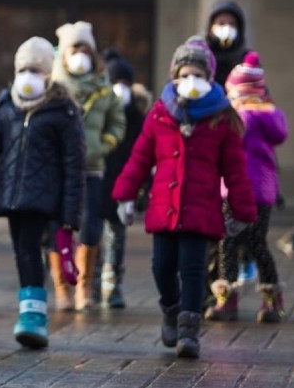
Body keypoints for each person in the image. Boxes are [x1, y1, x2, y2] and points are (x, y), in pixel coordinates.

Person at [112, 36, 256, 359]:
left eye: (198, 75)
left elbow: (235, 170)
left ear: (209, 78)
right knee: (161, 267)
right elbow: (139, 158)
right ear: (174, 77)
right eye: (184, 75)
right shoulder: (160, 114)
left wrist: (242, 210)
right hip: (164, 209)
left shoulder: (222, 120)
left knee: (192, 269)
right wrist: (125, 196)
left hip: (201, 210)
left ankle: (189, 330)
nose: (190, 81)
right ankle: (171, 311)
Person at [0, 36, 84, 349]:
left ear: (49, 73)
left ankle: (34, 317)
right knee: (23, 251)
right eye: (23, 69)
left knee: (28, 249)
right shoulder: (7, 107)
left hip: (44, 198)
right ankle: (31, 312)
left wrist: (70, 215)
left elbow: (73, 166)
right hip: (13, 195)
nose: (28, 76)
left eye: (36, 70)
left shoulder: (63, 112)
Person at [206, 52, 288, 323]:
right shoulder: (269, 115)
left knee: (227, 242)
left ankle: (227, 299)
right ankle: (271, 299)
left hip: (234, 190)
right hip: (259, 192)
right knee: (256, 244)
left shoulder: (238, 117)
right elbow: (280, 133)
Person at [51, 21, 125, 311]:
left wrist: (105, 143)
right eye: (74, 49)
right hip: (59, 170)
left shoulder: (104, 89)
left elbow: (118, 121)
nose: (79, 55)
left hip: (93, 168)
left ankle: (85, 285)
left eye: (85, 49)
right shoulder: (53, 88)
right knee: (58, 226)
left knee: (91, 226)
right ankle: (61, 287)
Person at [97, 49, 151, 309]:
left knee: (117, 238)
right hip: (97, 184)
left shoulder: (138, 119)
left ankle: (113, 286)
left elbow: (144, 157)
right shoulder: (98, 115)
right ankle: (93, 284)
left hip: (123, 188)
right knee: (93, 236)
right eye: (115, 82)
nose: (121, 89)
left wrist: (141, 191)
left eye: (125, 83)